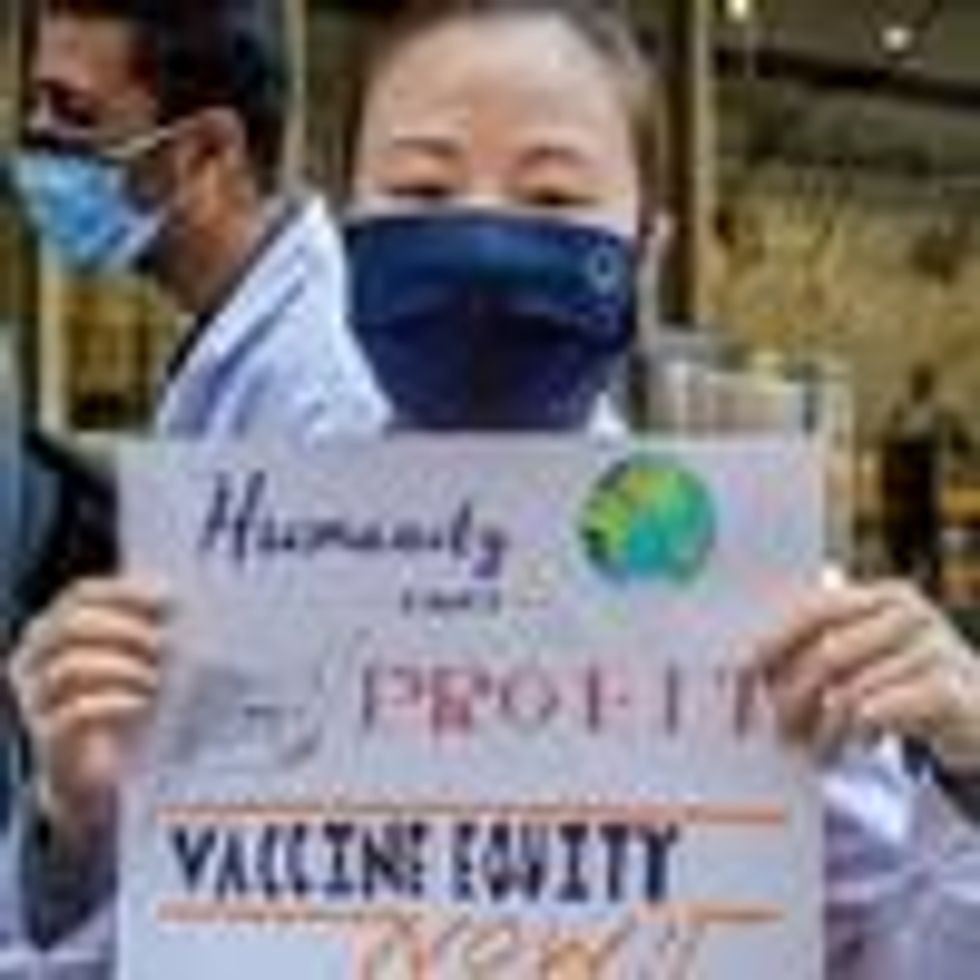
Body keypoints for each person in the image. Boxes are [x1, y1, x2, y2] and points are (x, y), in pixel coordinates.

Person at [10, 2, 980, 977]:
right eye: (422, 187)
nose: (481, 239)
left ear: (644, 254)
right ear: (349, 235)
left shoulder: (767, 618)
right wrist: (73, 833)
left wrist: (968, 775)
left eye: (552, 195)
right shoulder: (229, 590)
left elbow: (899, 952)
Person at [11, 0, 386, 439]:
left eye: (74, 112)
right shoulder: (225, 319)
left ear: (209, 149)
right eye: (34, 103)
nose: (36, 134)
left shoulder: (324, 400)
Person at [879, 362, 972, 596]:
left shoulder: (941, 412)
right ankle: (902, 582)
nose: (920, 385)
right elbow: (886, 442)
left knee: (927, 535)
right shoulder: (900, 411)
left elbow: (964, 442)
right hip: (902, 485)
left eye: (924, 381)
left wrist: (961, 464)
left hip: (926, 482)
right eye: (917, 380)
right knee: (903, 538)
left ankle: (931, 584)